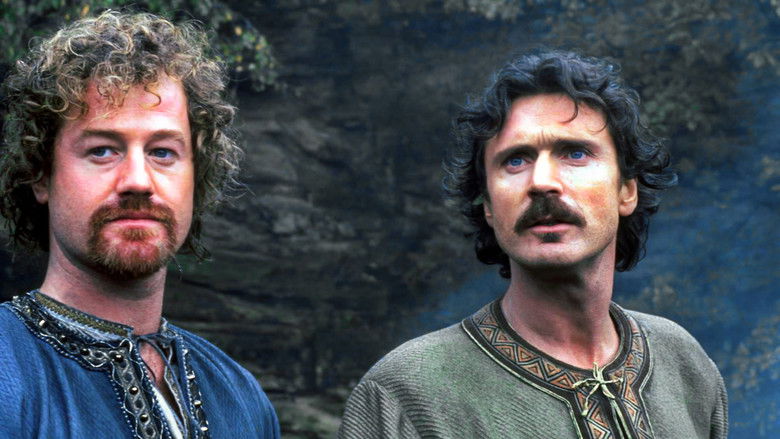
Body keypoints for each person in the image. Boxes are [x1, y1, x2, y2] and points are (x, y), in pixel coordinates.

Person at [339, 51, 727, 438]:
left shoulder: (684, 364)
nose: (541, 181)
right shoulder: (404, 395)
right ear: (488, 206)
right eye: (515, 160)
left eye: (575, 153)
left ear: (626, 191)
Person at [0, 11, 280, 438]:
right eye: (102, 150)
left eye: (162, 152)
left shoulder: (242, 397)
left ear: (196, 175)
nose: (138, 181)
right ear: (41, 174)